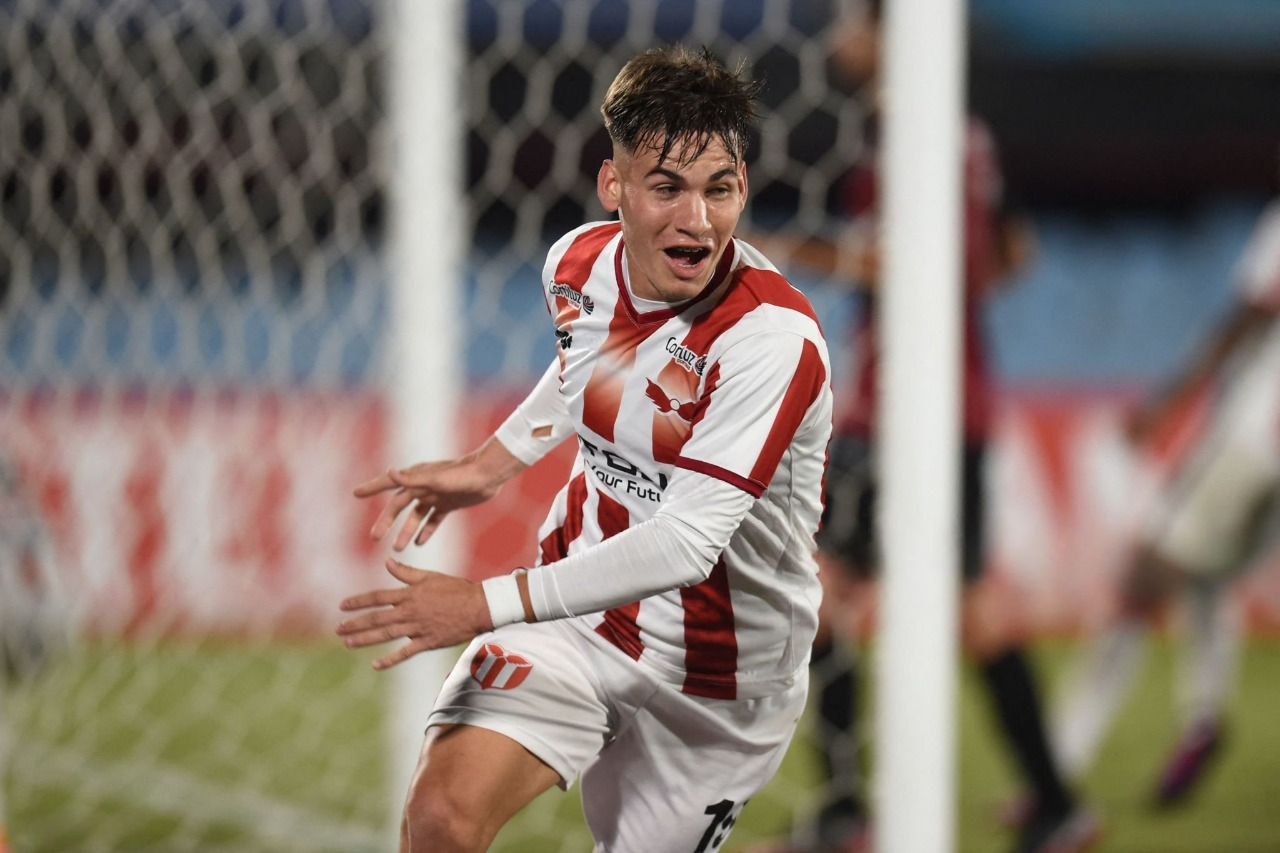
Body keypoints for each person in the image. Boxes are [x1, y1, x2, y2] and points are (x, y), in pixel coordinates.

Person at [336, 45, 834, 853]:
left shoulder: (771, 342)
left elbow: (687, 541)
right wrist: (491, 464)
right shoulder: (578, 265)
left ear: (743, 187)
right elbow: (591, 365)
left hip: (718, 683)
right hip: (580, 620)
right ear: (615, 188)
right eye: (667, 186)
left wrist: (480, 602)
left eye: (720, 189)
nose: (697, 220)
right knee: (440, 822)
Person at [746, 3, 1097, 852]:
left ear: (887, 33)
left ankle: (848, 813)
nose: (834, 41)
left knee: (835, 597)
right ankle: (1048, 805)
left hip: (911, 405)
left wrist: (782, 247)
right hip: (939, 399)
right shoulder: (956, 134)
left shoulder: (917, 135)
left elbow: (915, 257)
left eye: (846, 23)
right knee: (869, 598)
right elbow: (1014, 254)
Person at [1050, 191, 1280, 808]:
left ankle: (1057, 767)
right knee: (1206, 572)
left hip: (1257, 434)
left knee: (1140, 579)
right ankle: (1204, 713)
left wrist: (1171, 400)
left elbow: (1251, 314)